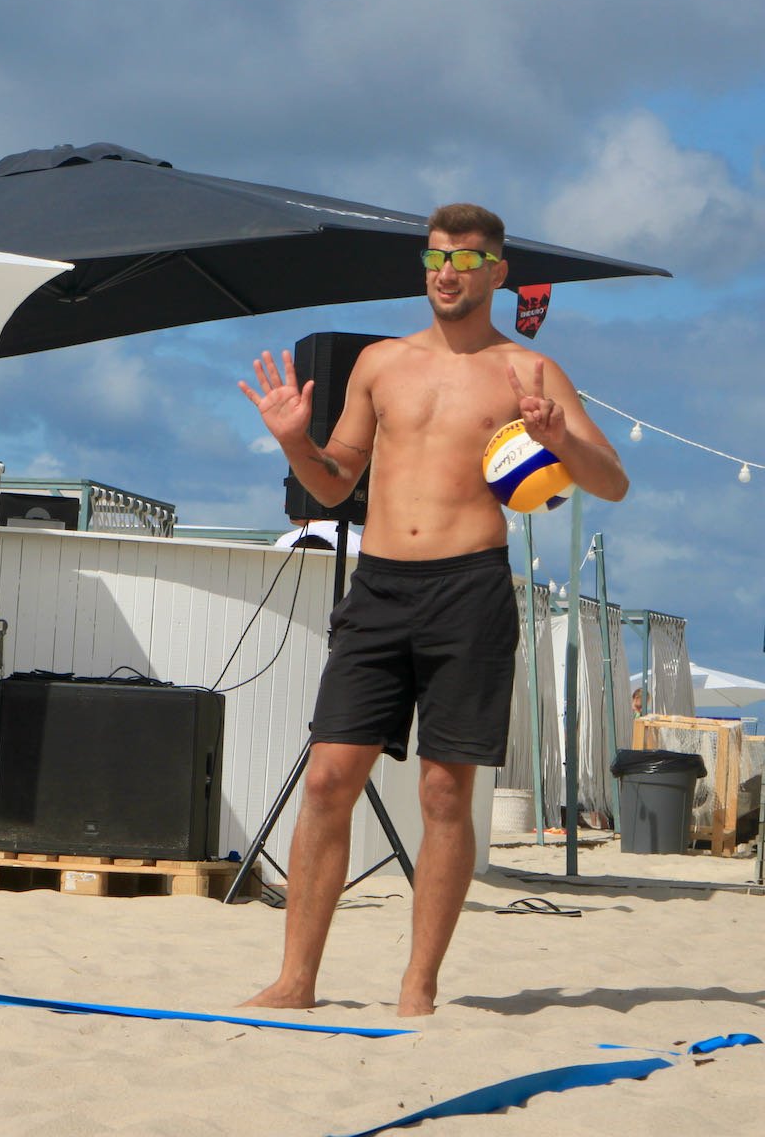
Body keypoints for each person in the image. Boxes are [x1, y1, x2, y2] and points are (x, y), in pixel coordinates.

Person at [237, 202, 628, 1017]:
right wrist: (294, 442)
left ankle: (418, 987)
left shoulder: (529, 370)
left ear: (497, 272)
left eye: (465, 259)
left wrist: (559, 439)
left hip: (469, 589)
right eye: (434, 258)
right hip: (379, 588)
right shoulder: (380, 363)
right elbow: (334, 485)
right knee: (327, 780)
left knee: (446, 794)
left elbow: (612, 481)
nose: (446, 273)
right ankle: (296, 980)